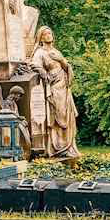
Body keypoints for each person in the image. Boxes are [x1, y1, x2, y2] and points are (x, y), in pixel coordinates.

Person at [30, 26, 80, 159]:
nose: (49, 35)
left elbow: (67, 67)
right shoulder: (40, 52)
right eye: (45, 34)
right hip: (54, 87)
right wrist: (43, 72)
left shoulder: (56, 51)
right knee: (57, 115)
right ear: (40, 37)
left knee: (68, 117)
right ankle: (57, 146)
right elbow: (34, 65)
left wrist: (62, 60)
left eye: (50, 33)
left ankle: (68, 146)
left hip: (64, 86)